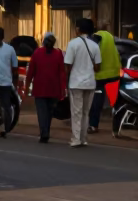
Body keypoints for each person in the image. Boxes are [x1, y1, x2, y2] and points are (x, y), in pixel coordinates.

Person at [64, 18, 101, 147]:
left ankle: (75, 139)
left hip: (76, 83)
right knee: (86, 112)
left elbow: (67, 65)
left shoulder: (73, 44)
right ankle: (84, 139)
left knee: (76, 112)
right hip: (90, 83)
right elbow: (98, 67)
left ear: (79, 29)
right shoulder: (95, 45)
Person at [25, 32, 66, 143]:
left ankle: (44, 132)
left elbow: (31, 72)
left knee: (42, 112)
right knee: (49, 112)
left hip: (40, 88)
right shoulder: (58, 54)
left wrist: (27, 87)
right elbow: (62, 72)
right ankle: (45, 130)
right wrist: (63, 89)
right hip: (54, 89)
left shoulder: (37, 53)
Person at [88, 22, 121, 133]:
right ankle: (116, 128)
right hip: (114, 74)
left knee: (97, 101)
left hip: (101, 75)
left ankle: (93, 125)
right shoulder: (111, 37)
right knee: (116, 102)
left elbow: (91, 53)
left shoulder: (96, 37)